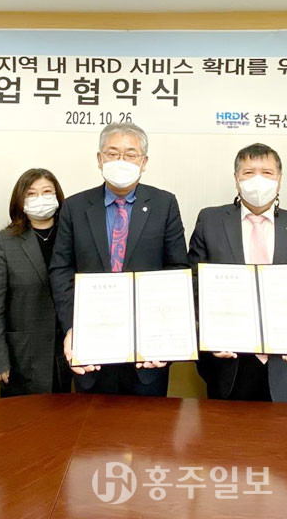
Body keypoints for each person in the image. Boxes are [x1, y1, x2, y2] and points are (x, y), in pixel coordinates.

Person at [49, 122, 188, 396]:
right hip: (90, 347)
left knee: (147, 422)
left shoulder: (164, 204)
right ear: (99, 159)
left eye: (130, 154)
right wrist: (73, 327)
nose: (121, 161)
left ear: (144, 162)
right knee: (91, 422)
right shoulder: (75, 207)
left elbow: (177, 269)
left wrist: (165, 332)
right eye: (112, 153)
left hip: (148, 351)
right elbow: (61, 270)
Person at [190, 143, 287, 403]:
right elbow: (195, 285)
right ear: (236, 179)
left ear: (279, 180)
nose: (258, 180)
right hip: (230, 361)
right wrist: (209, 333)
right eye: (248, 172)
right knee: (228, 429)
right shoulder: (210, 221)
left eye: (267, 173)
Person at [0, 168, 72, 396]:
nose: (40, 198)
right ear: (20, 200)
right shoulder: (4, 242)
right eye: (31, 193)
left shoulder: (71, 236)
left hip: (67, 352)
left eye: (47, 191)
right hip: (22, 355)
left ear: (57, 197)